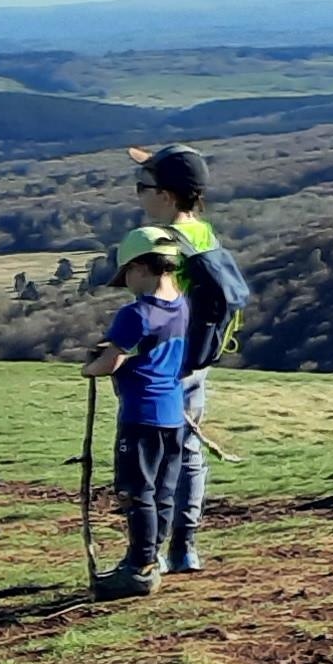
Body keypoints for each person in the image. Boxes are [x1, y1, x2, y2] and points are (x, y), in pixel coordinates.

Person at [111, 144, 235, 573]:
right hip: (197, 362)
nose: (138, 195)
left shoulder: (166, 244)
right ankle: (185, 546)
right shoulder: (205, 234)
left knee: (158, 461)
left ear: (165, 196)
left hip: (167, 368)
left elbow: (157, 311)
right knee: (188, 451)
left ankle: (152, 552)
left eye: (142, 187)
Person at [85, 227, 195, 597]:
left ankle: (139, 568)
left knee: (137, 492)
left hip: (141, 414)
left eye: (128, 273)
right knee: (163, 491)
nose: (127, 282)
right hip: (172, 414)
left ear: (140, 267)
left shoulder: (136, 313)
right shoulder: (181, 305)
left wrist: (90, 366)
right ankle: (150, 559)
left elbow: (110, 362)